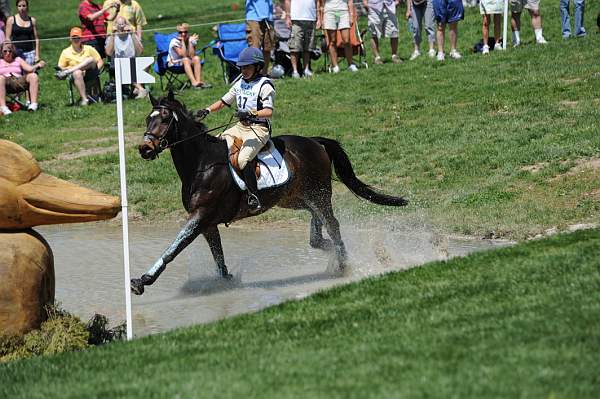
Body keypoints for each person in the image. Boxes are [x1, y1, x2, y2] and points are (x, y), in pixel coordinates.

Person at [197, 47, 275, 213]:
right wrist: (207, 110)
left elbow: (269, 112)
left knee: (242, 159)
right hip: (240, 127)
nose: (243, 70)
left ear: (258, 67)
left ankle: (254, 196)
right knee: (216, 144)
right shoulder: (239, 84)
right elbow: (223, 101)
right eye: (242, 67)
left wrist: (250, 113)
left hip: (258, 129)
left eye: (247, 67)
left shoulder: (265, 85)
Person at [56, 27, 104, 106]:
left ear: (81, 38)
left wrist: (96, 71)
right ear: (70, 39)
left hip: (91, 72)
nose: (76, 39)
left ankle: (71, 71)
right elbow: (60, 68)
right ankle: (84, 99)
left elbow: (100, 61)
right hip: (77, 75)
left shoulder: (89, 48)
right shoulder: (65, 52)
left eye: (78, 37)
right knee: (77, 72)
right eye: (74, 37)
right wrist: (70, 69)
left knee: (91, 59)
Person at [105, 16, 147, 98]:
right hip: (118, 63)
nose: (121, 26)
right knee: (127, 66)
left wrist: (132, 34)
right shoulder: (111, 37)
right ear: (115, 25)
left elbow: (140, 51)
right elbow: (109, 53)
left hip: (132, 61)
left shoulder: (132, 35)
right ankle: (140, 89)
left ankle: (137, 88)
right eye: (119, 24)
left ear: (127, 25)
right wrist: (113, 35)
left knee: (145, 63)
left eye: (123, 24)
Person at [0, 41, 44, 114]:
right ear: (1, 52)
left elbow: (29, 69)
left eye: (10, 51)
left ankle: (33, 105)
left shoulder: (18, 59)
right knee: (0, 78)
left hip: (19, 81)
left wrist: (39, 65)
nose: (8, 53)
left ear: (13, 52)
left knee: (33, 76)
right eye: (5, 51)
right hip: (5, 83)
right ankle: (3, 107)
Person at [167, 22, 211, 89]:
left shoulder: (190, 39)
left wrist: (190, 42)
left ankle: (198, 82)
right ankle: (193, 83)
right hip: (174, 64)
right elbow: (183, 54)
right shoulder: (174, 41)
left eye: (185, 32)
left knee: (196, 58)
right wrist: (182, 42)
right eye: (180, 32)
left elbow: (192, 55)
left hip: (186, 63)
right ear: (177, 32)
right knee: (186, 59)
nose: (183, 34)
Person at [284, 0, 320, 77]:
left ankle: (306, 69)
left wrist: (319, 17)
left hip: (311, 18)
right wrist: (287, 16)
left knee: (308, 47)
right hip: (296, 19)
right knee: (295, 47)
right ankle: (295, 71)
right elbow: (287, 1)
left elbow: (317, 2)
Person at [322, 0, 358, 73]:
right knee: (332, 41)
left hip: (343, 11)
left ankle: (351, 64)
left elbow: (350, 1)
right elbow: (321, 2)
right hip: (329, 11)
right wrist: (321, 17)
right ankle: (335, 66)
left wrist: (351, 15)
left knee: (347, 40)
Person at [364, 0, 401, 64]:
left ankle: (394, 56)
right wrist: (365, 3)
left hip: (389, 6)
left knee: (394, 31)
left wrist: (397, 1)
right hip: (374, 7)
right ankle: (377, 58)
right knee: (374, 32)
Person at [5, 0, 39, 65]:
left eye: (24, 6)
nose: (22, 8)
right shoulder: (11, 20)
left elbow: (36, 39)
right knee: (18, 73)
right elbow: (7, 38)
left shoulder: (32, 20)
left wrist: (37, 55)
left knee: (30, 72)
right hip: (16, 53)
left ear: (27, 7)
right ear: (17, 7)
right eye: (19, 6)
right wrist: (9, 52)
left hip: (30, 52)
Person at [246, 0, 275, 75]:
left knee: (267, 48)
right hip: (254, 18)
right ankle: (254, 74)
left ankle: (264, 74)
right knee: (254, 49)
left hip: (269, 18)